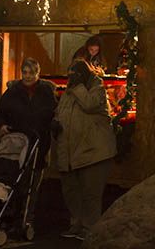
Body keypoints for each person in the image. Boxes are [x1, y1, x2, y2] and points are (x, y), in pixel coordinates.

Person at [53, 59, 117, 241]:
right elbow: (61, 112)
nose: (72, 78)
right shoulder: (69, 91)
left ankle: (90, 228)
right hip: (72, 151)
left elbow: (89, 104)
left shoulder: (97, 88)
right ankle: (77, 224)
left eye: (76, 75)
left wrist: (78, 86)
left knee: (91, 193)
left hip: (94, 151)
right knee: (71, 190)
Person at [0, 57, 58, 169]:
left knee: (35, 173)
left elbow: (54, 112)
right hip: (16, 142)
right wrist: (1, 125)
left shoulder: (46, 92)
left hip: (39, 142)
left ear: (37, 73)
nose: (27, 76)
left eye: (31, 73)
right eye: (25, 72)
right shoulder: (12, 92)